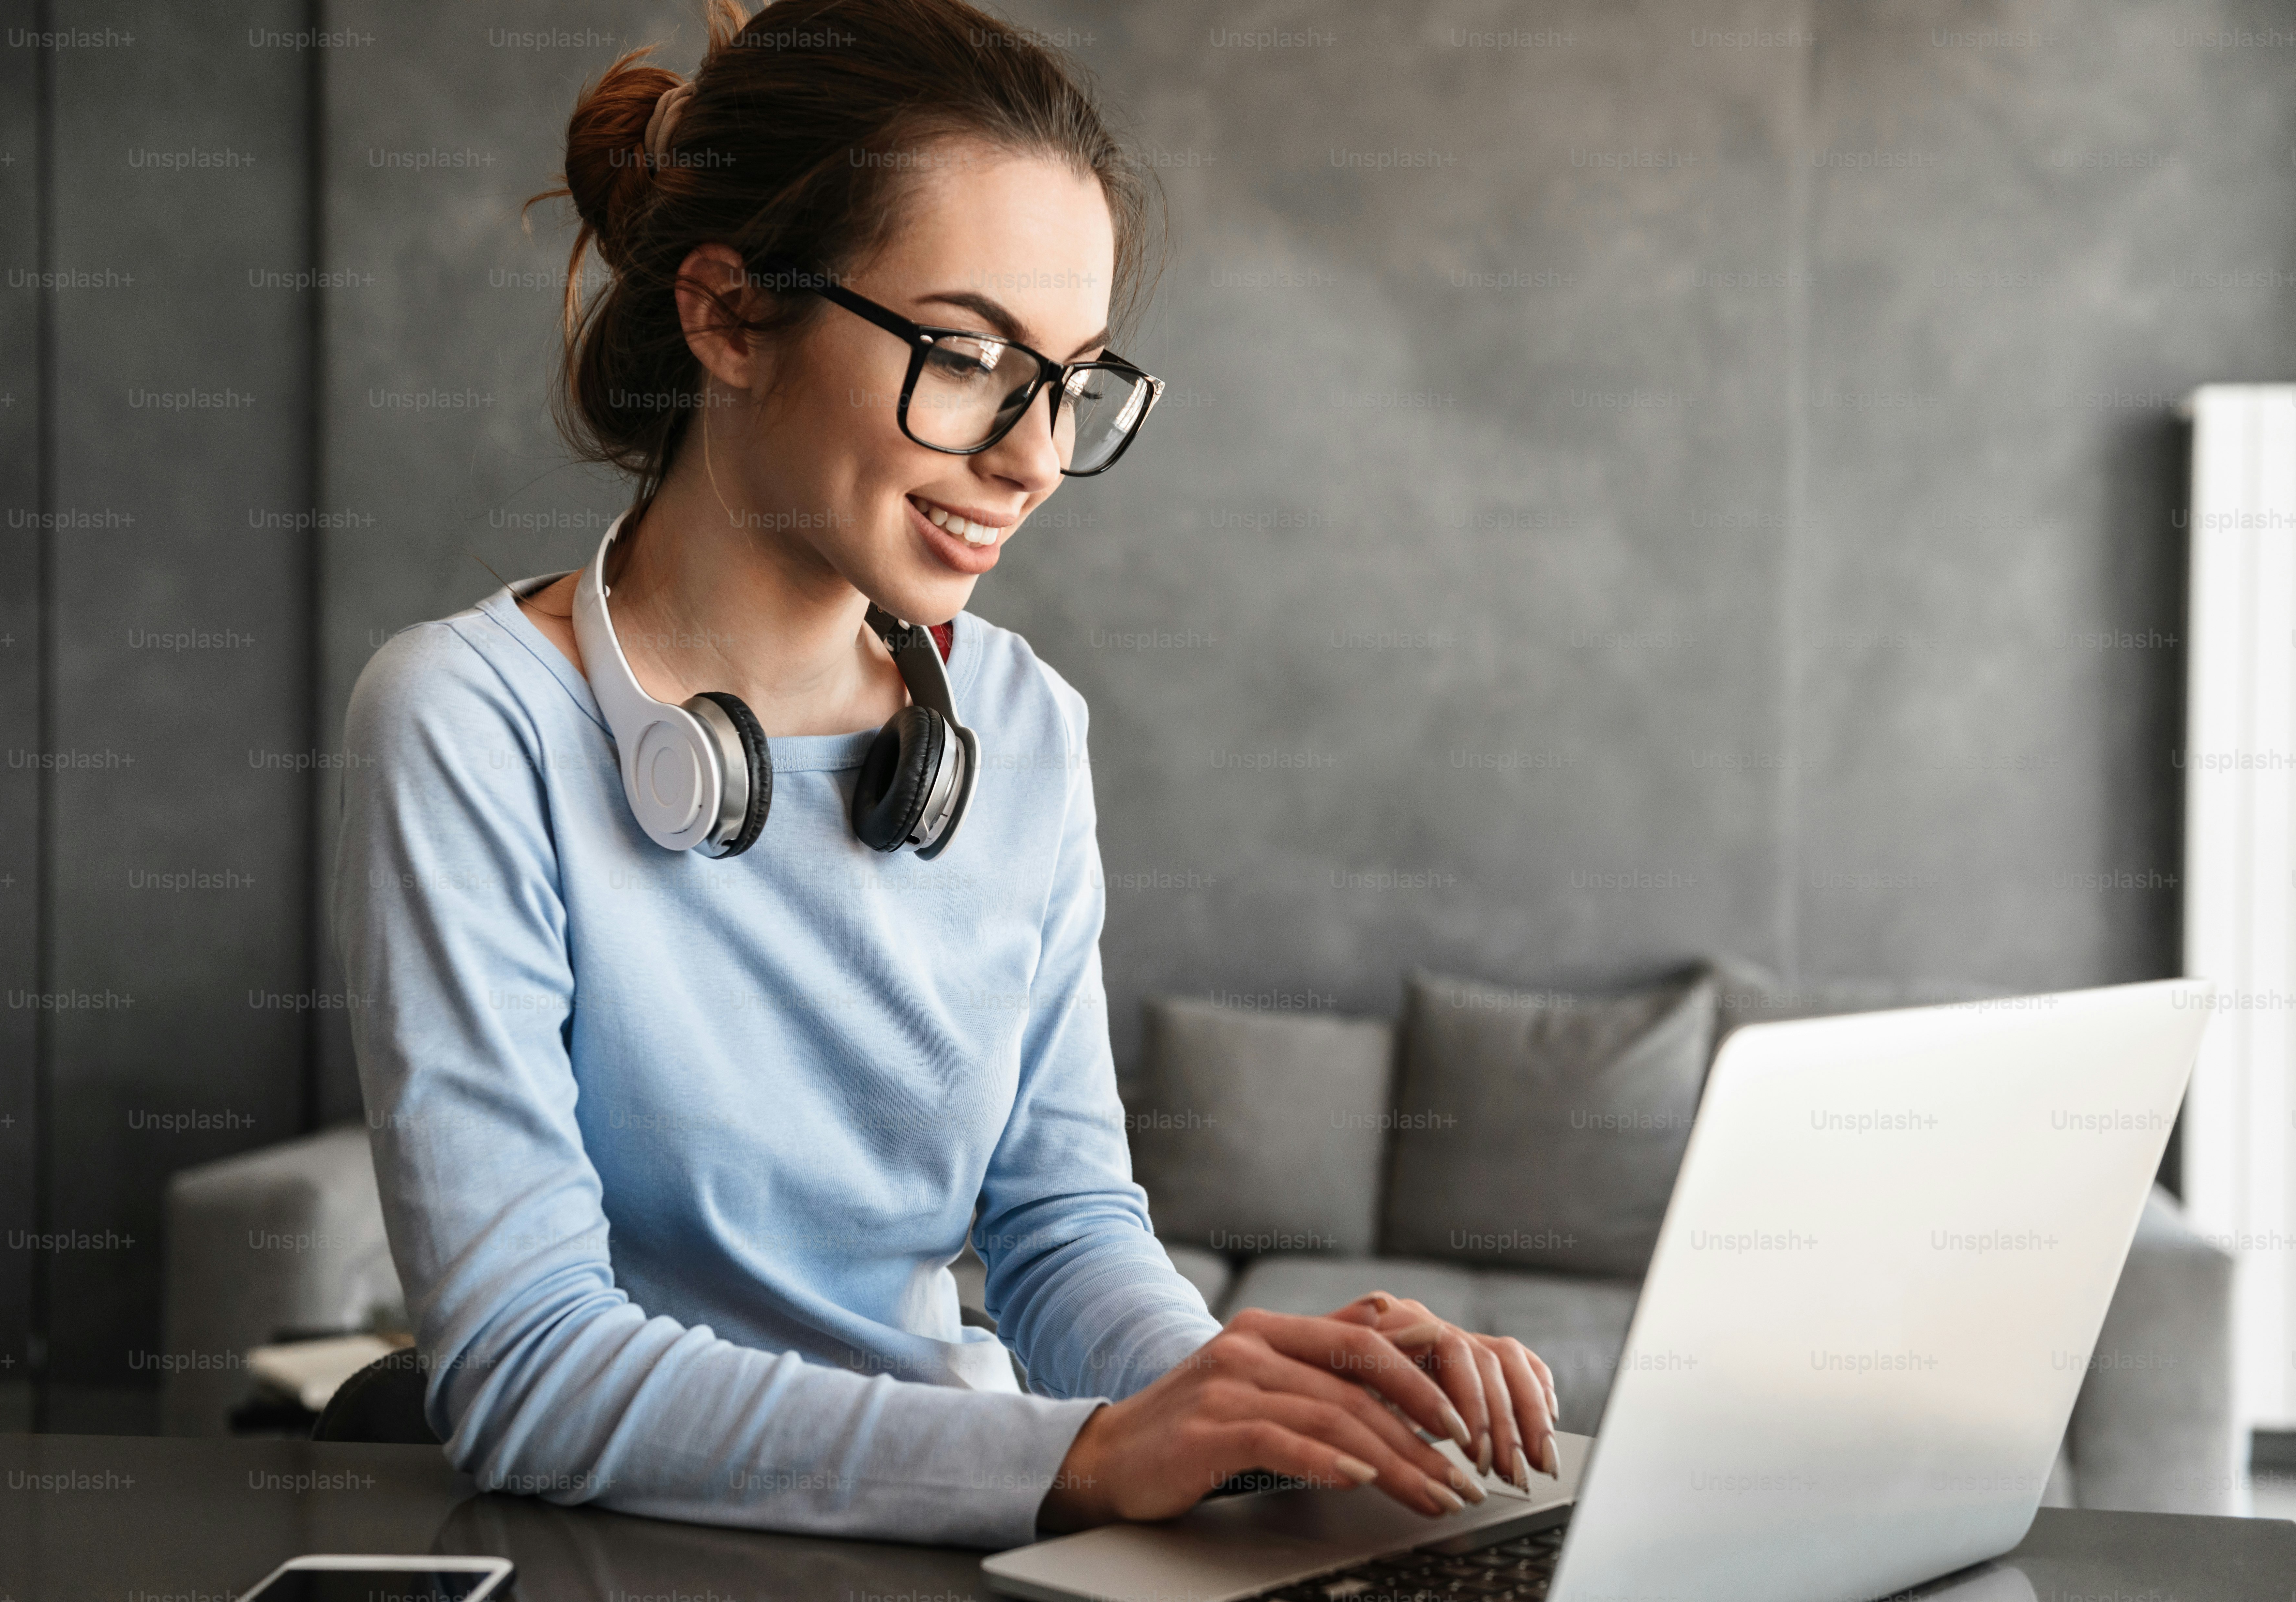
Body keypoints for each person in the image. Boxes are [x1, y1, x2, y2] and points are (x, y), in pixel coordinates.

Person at [334, 0, 1556, 1547]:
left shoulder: (1025, 724)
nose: (1037, 455)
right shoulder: (466, 719)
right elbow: (528, 1370)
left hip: (978, 1530)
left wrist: (1247, 1408)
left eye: (1076, 380)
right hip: (638, 1552)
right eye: (968, 356)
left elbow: (1060, 1232)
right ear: (724, 317)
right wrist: (1084, 1461)